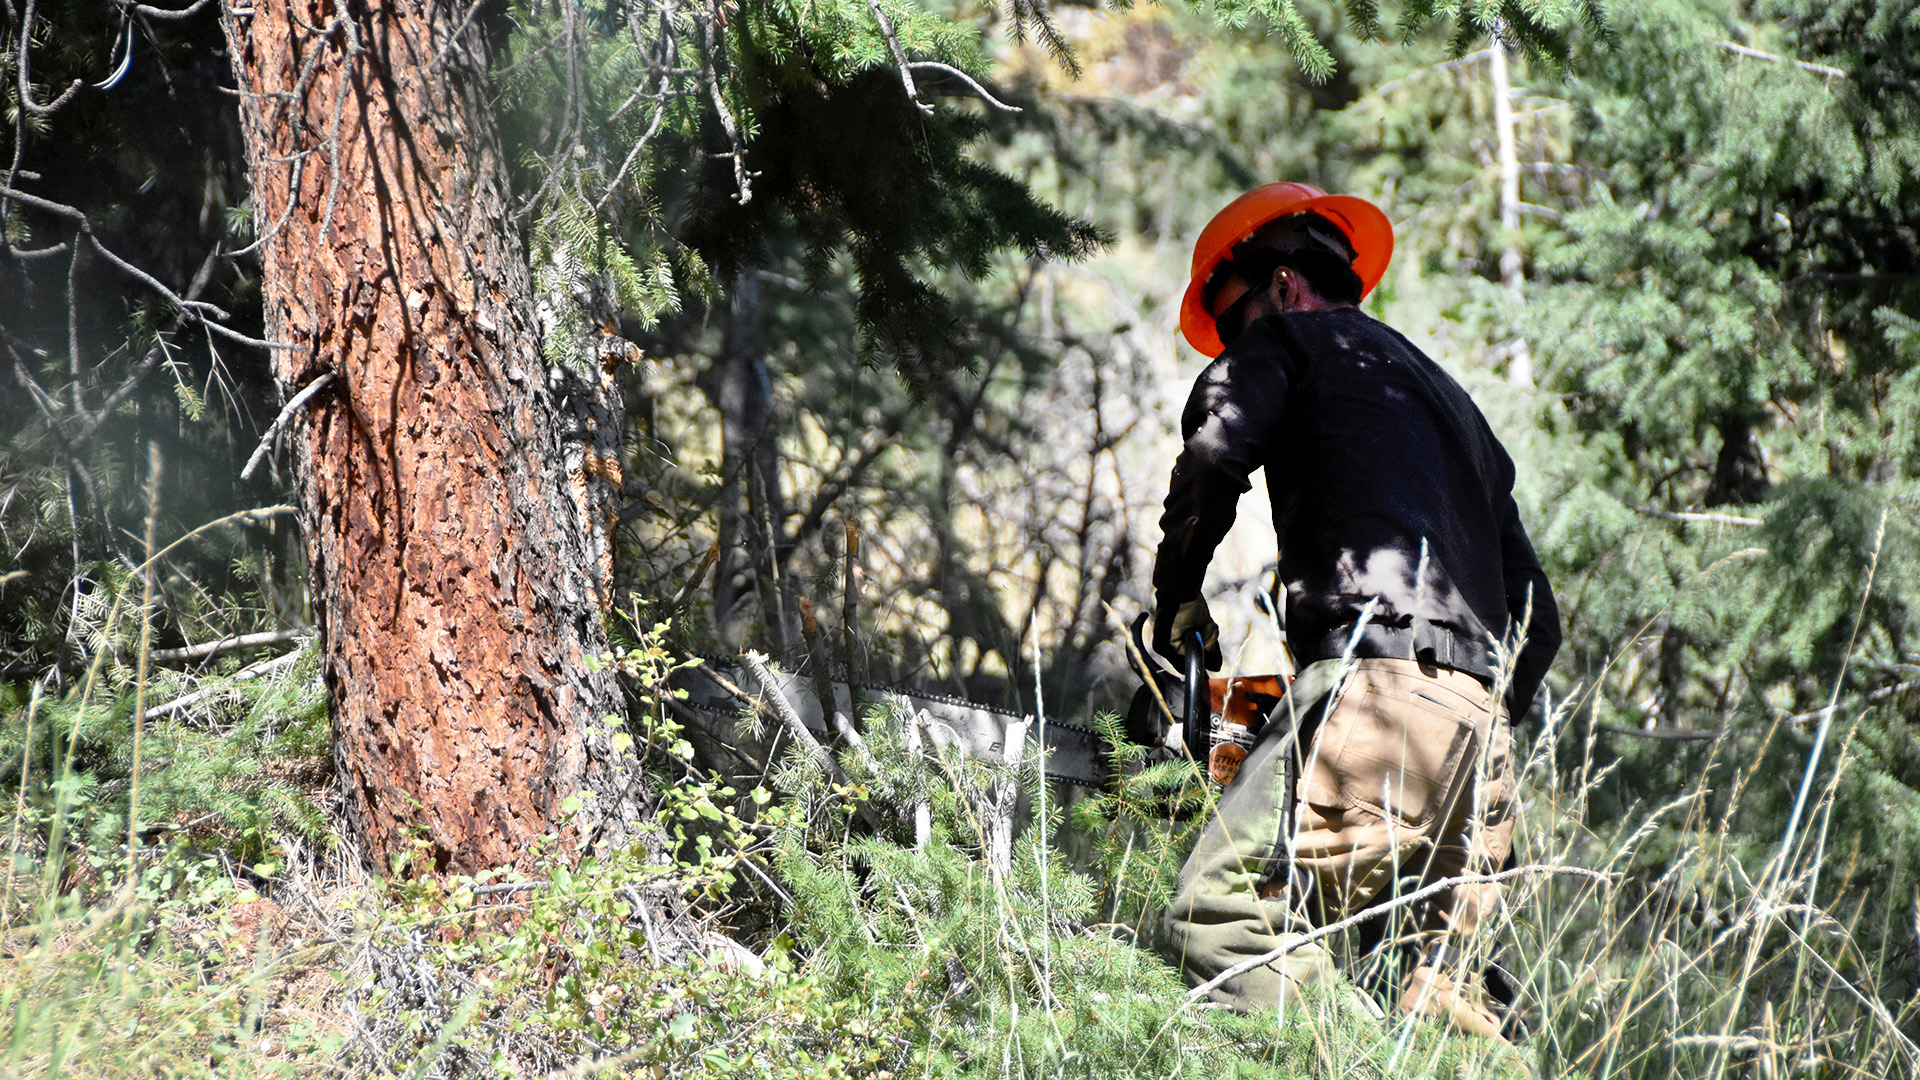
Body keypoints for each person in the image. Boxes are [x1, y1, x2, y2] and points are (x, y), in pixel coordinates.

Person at [1150, 182, 1561, 1040]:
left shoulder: (1289, 343)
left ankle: (1356, 1062)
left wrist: (1180, 594)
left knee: (1219, 915)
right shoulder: (1458, 410)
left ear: (1286, 284)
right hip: (1482, 739)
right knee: (1444, 1004)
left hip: (1370, 686)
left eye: (1234, 322)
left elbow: (1215, 457)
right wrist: (1459, 707)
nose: (1232, 344)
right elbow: (1538, 617)